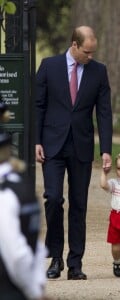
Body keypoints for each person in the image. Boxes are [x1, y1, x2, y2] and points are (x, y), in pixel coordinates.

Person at [35, 25, 113, 280]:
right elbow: (38, 105)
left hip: (81, 145)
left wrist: (106, 150)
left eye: (93, 53)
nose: (90, 57)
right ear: (74, 45)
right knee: (54, 198)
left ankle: (75, 264)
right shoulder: (49, 65)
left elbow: (103, 112)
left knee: (79, 205)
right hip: (52, 144)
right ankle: (55, 257)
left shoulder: (98, 71)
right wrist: (36, 141)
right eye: (87, 52)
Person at [0, 100, 48, 300]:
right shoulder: (22, 186)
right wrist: (36, 288)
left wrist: (32, 291)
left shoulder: (7, 192)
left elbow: (18, 254)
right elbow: (33, 248)